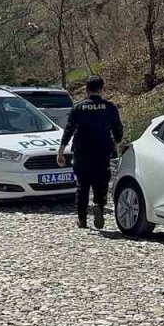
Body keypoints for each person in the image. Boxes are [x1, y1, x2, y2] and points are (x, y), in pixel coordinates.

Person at [56, 75, 123, 229]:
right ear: (101, 89)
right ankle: (99, 205)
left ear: (87, 89)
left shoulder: (79, 107)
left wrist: (60, 151)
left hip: (82, 151)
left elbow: (69, 130)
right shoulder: (110, 107)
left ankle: (82, 219)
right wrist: (117, 142)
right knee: (101, 182)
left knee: (82, 185)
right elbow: (117, 129)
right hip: (103, 150)